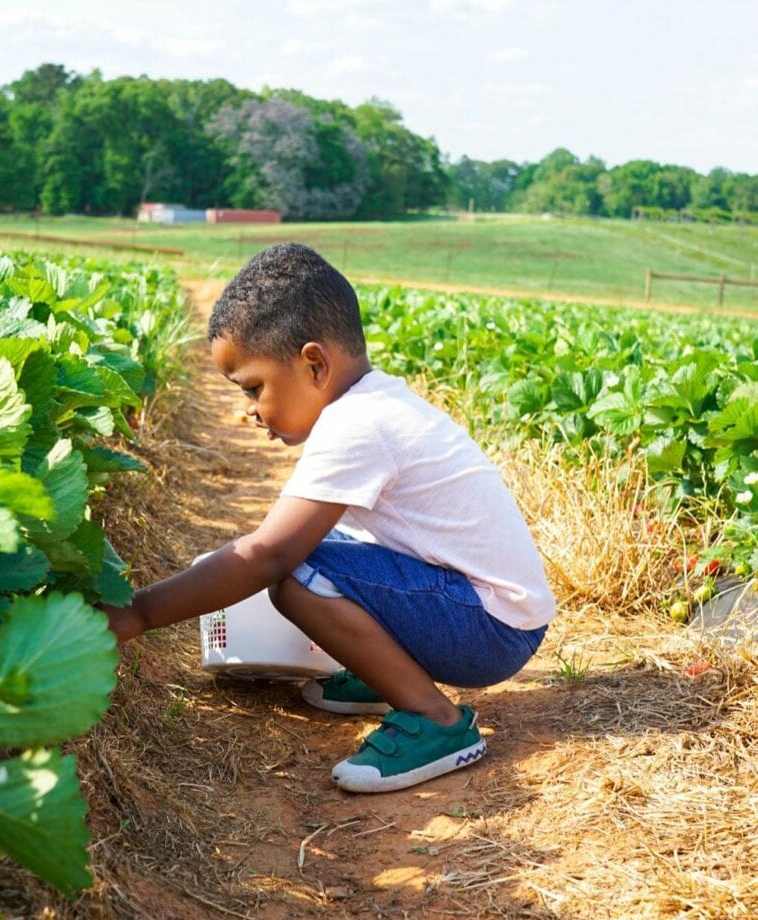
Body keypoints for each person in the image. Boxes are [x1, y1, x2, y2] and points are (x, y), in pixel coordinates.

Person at [103, 242, 556, 794]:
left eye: (253, 388)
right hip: (489, 610)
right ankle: (381, 673)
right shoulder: (373, 403)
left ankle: (437, 722)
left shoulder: (357, 425)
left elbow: (268, 554)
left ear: (315, 364)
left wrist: (138, 613)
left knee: (294, 573)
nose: (248, 409)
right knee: (321, 543)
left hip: (489, 629)